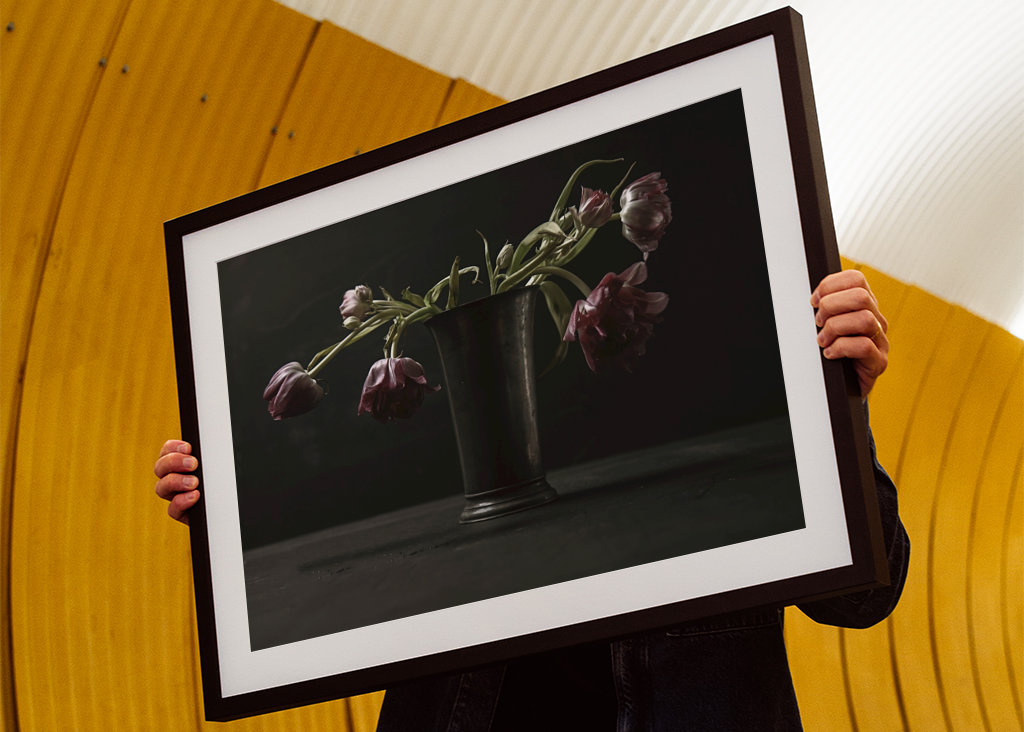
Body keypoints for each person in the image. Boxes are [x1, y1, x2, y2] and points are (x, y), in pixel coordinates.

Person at [155, 270, 908, 730]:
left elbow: (865, 596)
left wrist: (841, 405)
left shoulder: (762, 400)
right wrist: (230, 508)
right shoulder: (439, 530)